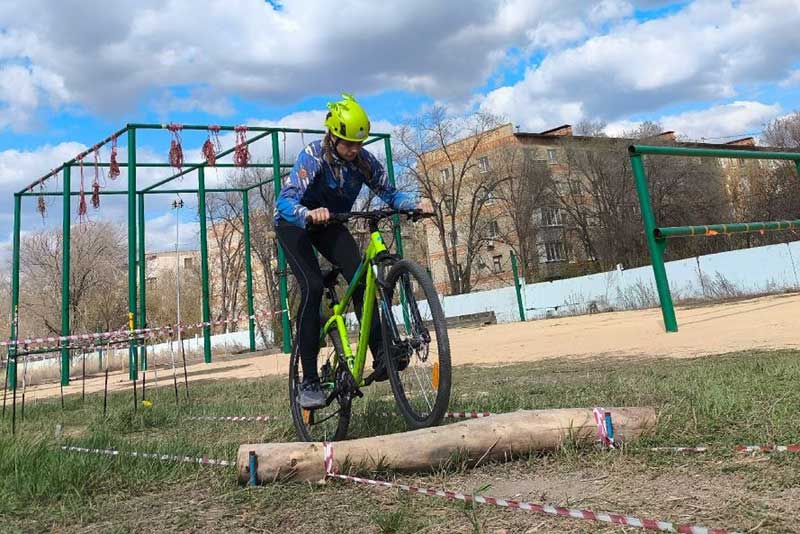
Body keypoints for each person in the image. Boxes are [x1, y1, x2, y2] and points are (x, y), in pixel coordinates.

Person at [275, 93, 433, 409]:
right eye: (347, 143)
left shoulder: (363, 161)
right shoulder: (313, 157)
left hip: (331, 223)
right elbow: (285, 200)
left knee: (360, 281)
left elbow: (389, 192)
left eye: (359, 143)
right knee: (313, 287)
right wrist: (308, 213)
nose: (353, 150)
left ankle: (382, 354)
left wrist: (414, 203)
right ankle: (309, 381)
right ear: (332, 136)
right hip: (295, 223)